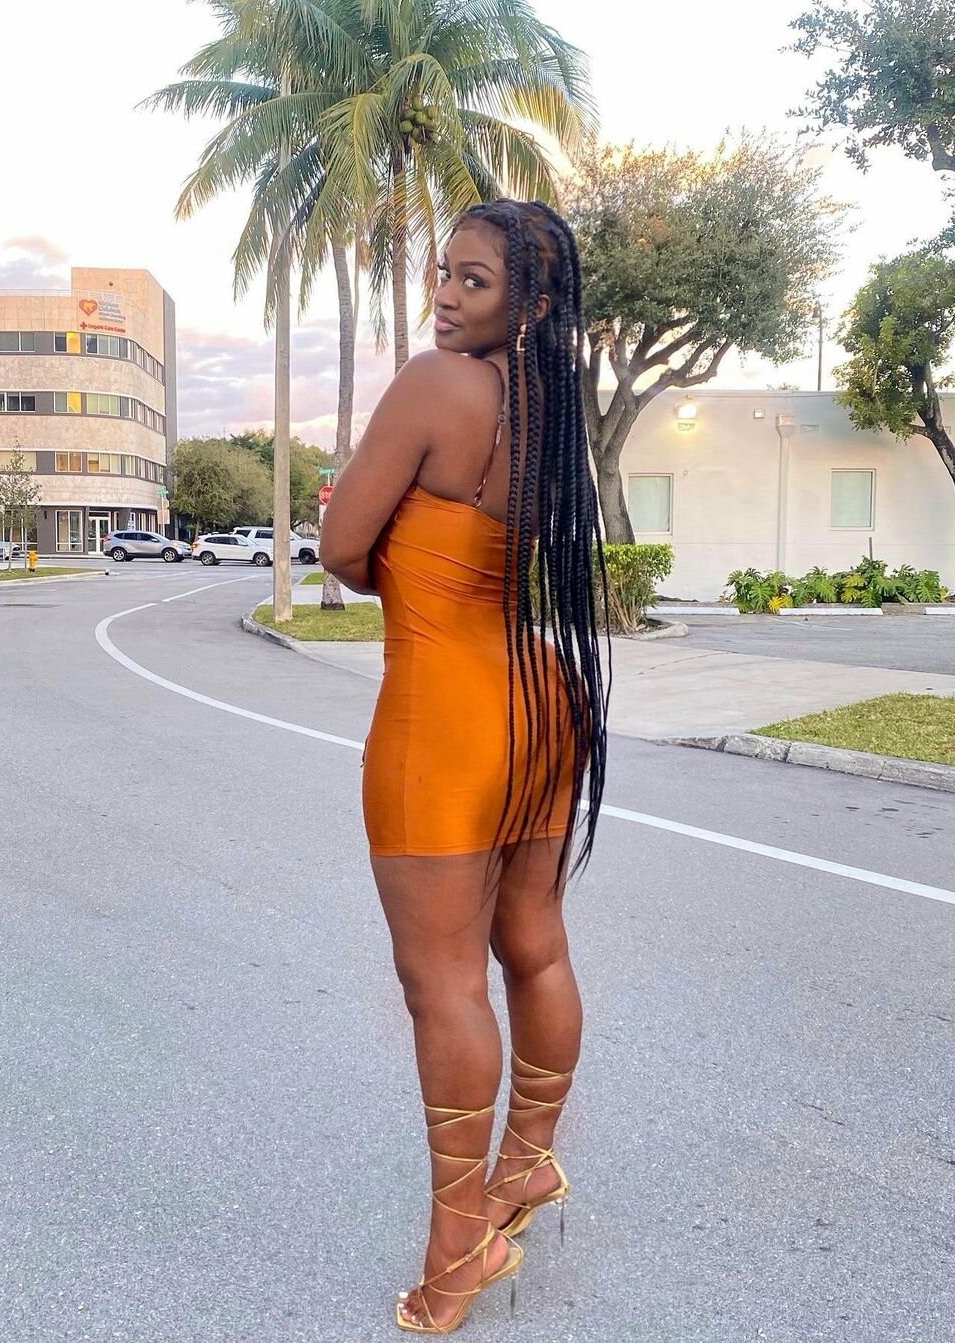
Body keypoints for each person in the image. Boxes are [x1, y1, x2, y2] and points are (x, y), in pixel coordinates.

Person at [319, 198, 610, 1334]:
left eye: (473, 280)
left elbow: (343, 547)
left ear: (528, 303)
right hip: (543, 695)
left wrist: (399, 550)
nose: (444, 295)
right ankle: (526, 1158)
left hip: (446, 713)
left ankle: (459, 1244)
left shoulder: (437, 387)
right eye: (443, 272)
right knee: (533, 941)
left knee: (441, 980)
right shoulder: (547, 412)